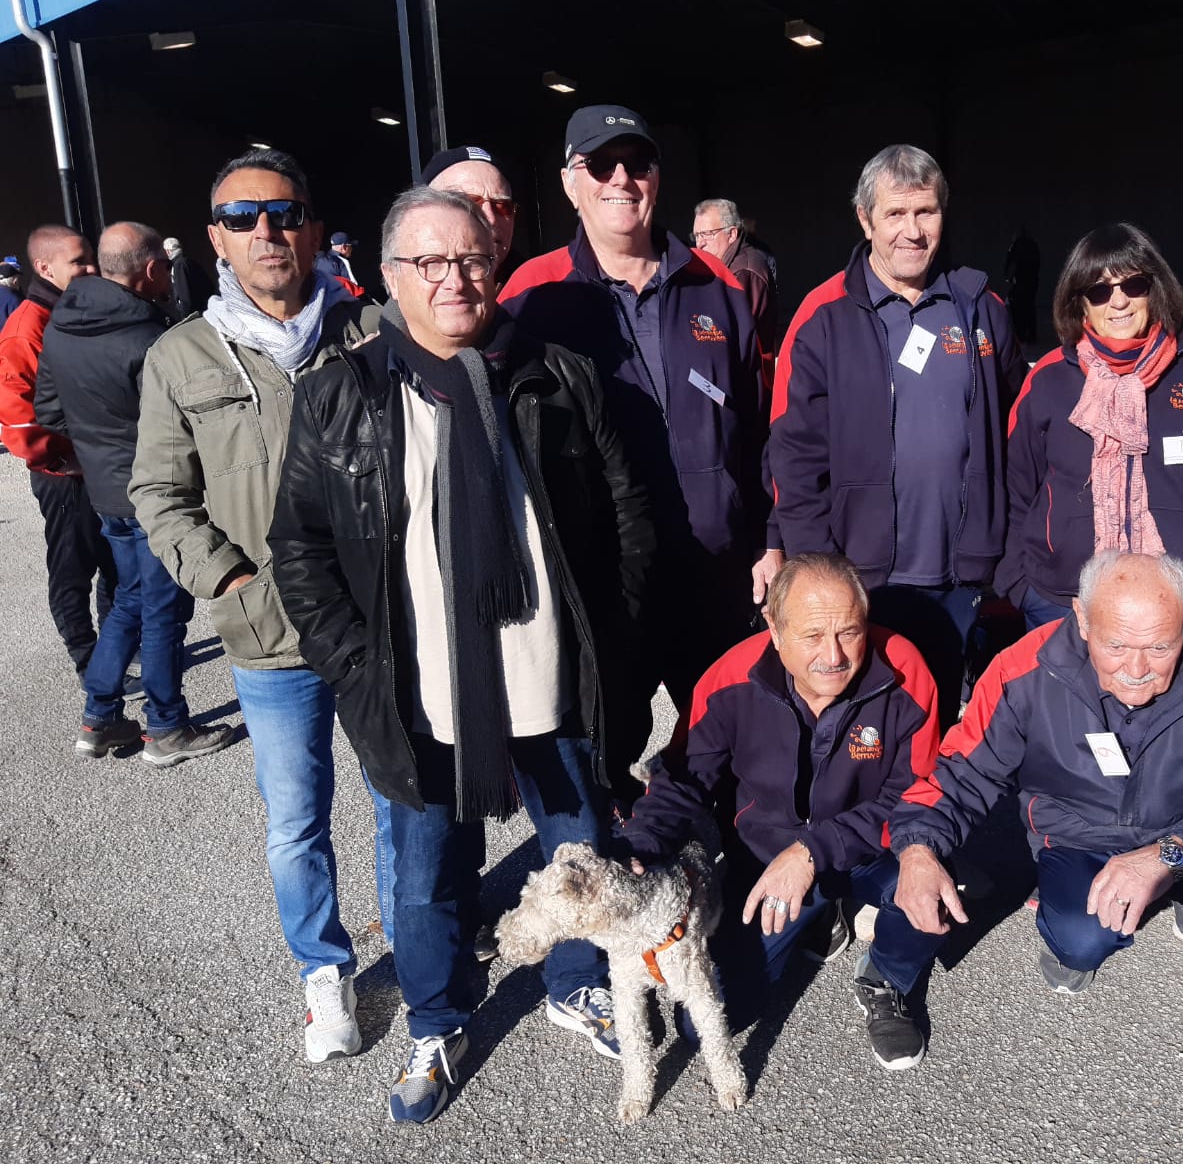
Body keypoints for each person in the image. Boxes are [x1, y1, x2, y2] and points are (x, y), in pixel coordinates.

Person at [268, 185, 654, 1124]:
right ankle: (437, 1020)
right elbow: (301, 551)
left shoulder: (553, 376)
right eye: (430, 262)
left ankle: (574, 981)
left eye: (472, 258)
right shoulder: (340, 395)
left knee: (578, 848)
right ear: (390, 276)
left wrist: (618, 637)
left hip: (550, 681)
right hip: (421, 697)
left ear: (496, 263)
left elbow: (626, 519)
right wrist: (360, 676)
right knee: (423, 871)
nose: (455, 279)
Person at [130, 148, 394, 1065]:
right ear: (215, 240)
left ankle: (423, 942)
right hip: (269, 637)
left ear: (313, 227)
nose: (267, 232)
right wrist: (231, 582)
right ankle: (324, 972)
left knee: (401, 796)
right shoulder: (181, 356)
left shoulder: (370, 330)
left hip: (375, 628)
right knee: (296, 817)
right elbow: (158, 494)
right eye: (242, 218)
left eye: (283, 213)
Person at [890, 551, 1183, 1115]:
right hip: (1079, 829)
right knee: (1080, 939)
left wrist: (1170, 855)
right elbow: (963, 769)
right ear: (1082, 620)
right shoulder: (1024, 669)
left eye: (1160, 647)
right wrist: (918, 848)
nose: (1136, 668)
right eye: (1115, 645)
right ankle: (1124, 907)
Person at [500, 104, 779, 777]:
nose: (620, 178)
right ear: (571, 181)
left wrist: (771, 541)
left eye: (637, 163)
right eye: (600, 163)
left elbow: (763, 425)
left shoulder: (718, 288)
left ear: (656, 178)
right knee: (601, 758)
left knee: (735, 752)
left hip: (713, 571)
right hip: (603, 582)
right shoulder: (531, 297)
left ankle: (734, 870)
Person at [618, 553, 945, 1071]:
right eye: (813, 635)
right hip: (767, 859)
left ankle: (887, 976)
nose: (833, 656)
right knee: (703, 1025)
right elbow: (684, 779)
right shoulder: (728, 679)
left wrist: (813, 851)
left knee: (934, 888)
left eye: (850, 632)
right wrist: (643, 841)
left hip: (870, 848)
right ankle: (820, 914)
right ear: (774, 627)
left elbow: (918, 796)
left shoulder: (905, 670)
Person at [769, 144, 1026, 727]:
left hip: (962, 572)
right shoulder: (823, 314)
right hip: (861, 576)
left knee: (936, 712)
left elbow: (1017, 431)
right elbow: (794, 453)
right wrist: (816, 571)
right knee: (857, 721)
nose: (912, 232)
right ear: (865, 220)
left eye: (926, 213)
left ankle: (928, 813)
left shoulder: (981, 307)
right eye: (895, 214)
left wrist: (1011, 547)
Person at [997, 223, 1183, 632]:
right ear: (1080, 304)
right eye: (1099, 291)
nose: (1119, 302)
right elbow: (1014, 491)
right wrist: (1019, 585)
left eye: (1134, 285)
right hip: (1064, 603)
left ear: (1155, 289)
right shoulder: (1047, 380)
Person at [34, 222, 233, 765]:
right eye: (166, 268)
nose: (171, 276)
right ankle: (167, 727)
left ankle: (99, 715)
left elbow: (48, 412)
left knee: (129, 601)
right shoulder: (153, 340)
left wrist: (98, 450)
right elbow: (185, 423)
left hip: (105, 493)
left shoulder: (59, 328)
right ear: (150, 270)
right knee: (164, 611)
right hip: (155, 494)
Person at [0, 224, 117, 676]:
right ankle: (87, 659)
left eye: (91, 257)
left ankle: (117, 644)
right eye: (78, 261)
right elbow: (19, 417)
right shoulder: (26, 328)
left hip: (99, 463)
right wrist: (60, 460)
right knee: (73, 565)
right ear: (45, 268)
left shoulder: (76, 310)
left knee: (114, 561)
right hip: (64, 473)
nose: (90, 268)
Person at [692, 197, 778, 388]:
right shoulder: (723, 267)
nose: (700, 244)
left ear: (732, 234)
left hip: (747, 382)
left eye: (707, 234)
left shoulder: (742, 272)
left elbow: (729, 336)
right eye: (696, 236)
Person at [423, 145, 520, 282]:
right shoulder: (410, 297)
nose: (491, 219)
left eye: (502, 206)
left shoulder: (537, 291)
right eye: (470, 205)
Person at [1003, 227, 1041, 345]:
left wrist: (1007, 277)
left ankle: (1021, 334)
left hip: (1020, 280)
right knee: (1029, 307)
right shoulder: (1033, 245)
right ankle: (1030, 334)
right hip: (1031, 280)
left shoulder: (1016, 245)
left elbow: (1010, 262)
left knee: (1018, 308)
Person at [164, 236, 215, 319]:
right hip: (204, 311)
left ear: (168, 251)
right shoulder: (188, 262)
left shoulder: (179, 265)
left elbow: (184, 295)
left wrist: (185, 317)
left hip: (193, 315)